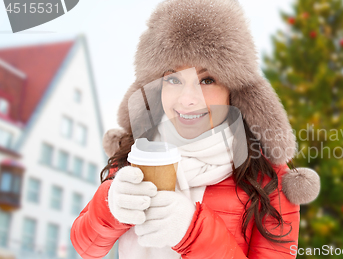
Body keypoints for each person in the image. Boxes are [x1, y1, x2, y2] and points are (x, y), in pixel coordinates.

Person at [70, 0, 320, 258]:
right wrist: (110, 206)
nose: (188, 99)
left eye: (207, 80)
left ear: (234, 90)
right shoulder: (136, 154)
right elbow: (85, 246)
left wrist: (191, 231)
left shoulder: (269, 178)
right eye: (173, 79)